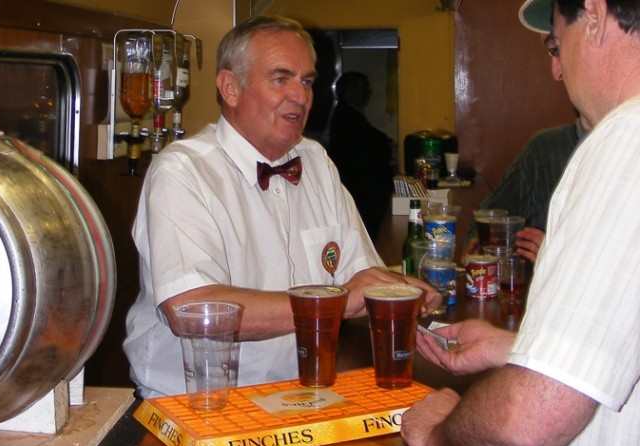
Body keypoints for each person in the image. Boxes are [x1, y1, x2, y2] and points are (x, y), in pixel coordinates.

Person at [401, 0, 640, 446]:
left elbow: (529, 420)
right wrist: (519, 350)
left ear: (597, 16)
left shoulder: (626, 141)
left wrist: (438, 434)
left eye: (557, 44)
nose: (556, 69)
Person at [123, 15, 440, 398]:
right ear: (230, 87)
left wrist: (401, 294)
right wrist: (336, 302)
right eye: (281, 78)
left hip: (302, 396)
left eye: (307, 81)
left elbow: (361, 274)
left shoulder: (317, 162)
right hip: (197, 403)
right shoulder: (182, 171)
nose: (301, 96)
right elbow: (192, 310)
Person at [465, 114, 588, 262]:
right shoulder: (546, 149)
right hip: (526, 281)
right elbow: (487, 218)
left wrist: (558, 258)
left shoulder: (621, 159)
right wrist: (481, 244)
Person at [328, 72, 395, 241]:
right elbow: (363, 151)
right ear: (348, 91)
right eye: (363, 88)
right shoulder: (345, 117)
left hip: (362, 187)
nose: (369, 92)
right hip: (359, 188)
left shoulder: (350, 114)